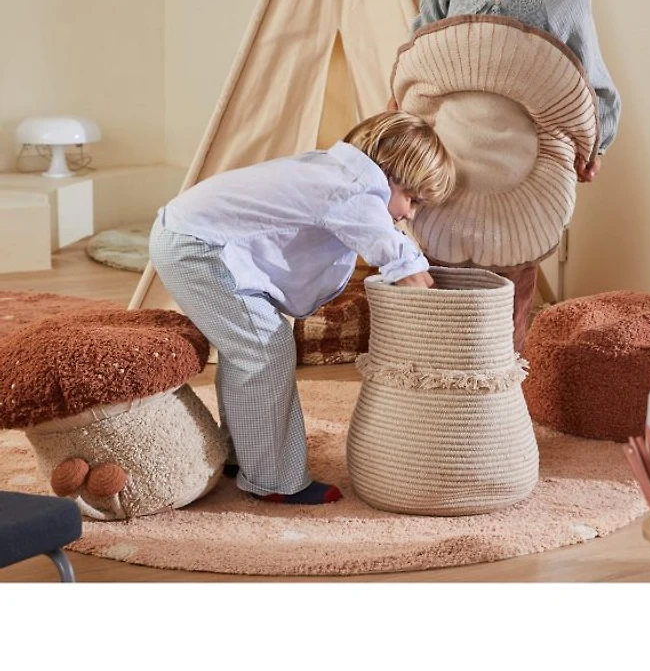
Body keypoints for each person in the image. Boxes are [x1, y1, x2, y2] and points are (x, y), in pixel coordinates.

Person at [149, 111, 456, 506]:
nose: (410, 213)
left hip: (189, 235)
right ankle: (273, 479)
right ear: (391, 174)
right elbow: (400, 261)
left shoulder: (331, 172)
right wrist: (446, 317)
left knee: (249, 347)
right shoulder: (354, 190)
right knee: (265, 350)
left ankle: (241, 451)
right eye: (412, 199)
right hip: (198, 247)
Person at [397, 0, 621, 348]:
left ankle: (499, 400)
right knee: (436, 264)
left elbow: (590, 80)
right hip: (447, 148)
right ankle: (437, 392)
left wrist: (595, 146)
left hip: (520, 162)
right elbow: (426, 33)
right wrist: (402, 102)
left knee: (508, 281)